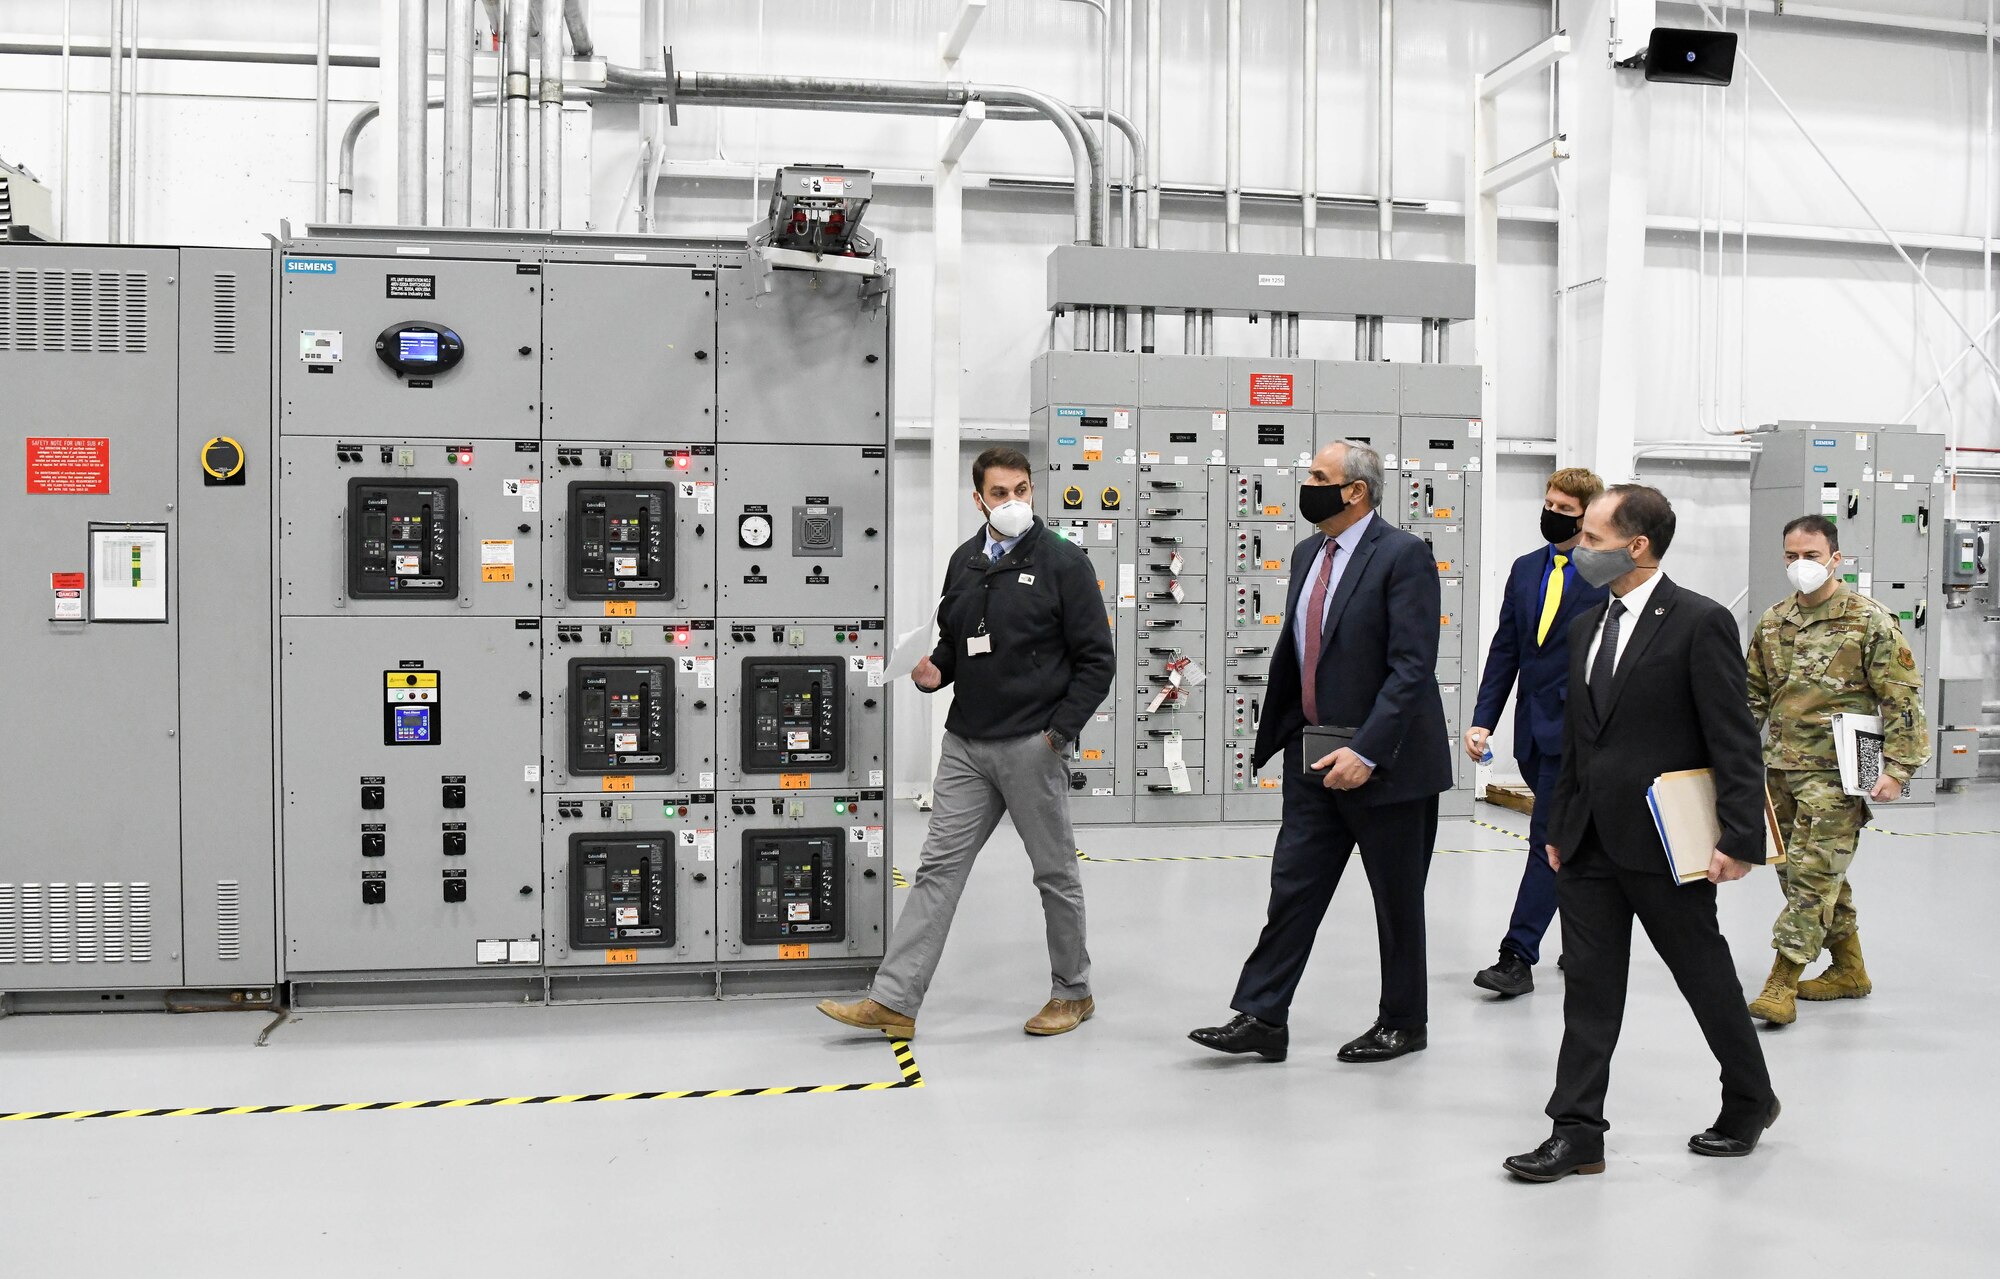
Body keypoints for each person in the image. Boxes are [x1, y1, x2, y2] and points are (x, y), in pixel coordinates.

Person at [1504, 484, 1780, 1184]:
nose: (1578, 548)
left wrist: (1741, 836)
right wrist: (1562, 824)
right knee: (1589, 990)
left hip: (1667, 840)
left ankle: (1750, 1097)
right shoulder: (1585, 623)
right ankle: (1577, 1131)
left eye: (1592, 538)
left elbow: (1734, 737)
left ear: (1637, 545)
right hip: (1591, 842)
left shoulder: (1698, 621)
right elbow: (1578, 739)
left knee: (1704, 976)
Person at [817, 447, 1115, 1039]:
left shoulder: (1064, 561)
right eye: (1000, 494)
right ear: (977, 499)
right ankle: (895, 1001)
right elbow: (956, 642)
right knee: (937, 871)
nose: (1013, 503)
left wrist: (1058, 735)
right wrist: (933, 672)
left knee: (1053, 873)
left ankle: (1072, 991)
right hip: (967, 745)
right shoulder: (965, 562)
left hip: (1033, 743)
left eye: (1022, 490)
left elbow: (1096, 661)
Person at [1189, 440, 1452, 1065]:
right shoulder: (1310, 552)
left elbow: (1412, 668)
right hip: (1311, 754)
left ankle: (1403, 1021)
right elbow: (1304, 649)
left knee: (1396, 900)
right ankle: (1261, 1016)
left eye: (1317, 476)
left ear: (1354, 490)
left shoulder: (1404, 555)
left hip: (1383, 764)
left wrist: (1367, 750)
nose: (1305, 484)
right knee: (1293, 889)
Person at [1742, 514, 1929, 1025]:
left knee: (1811, 876)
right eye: (1791, 556)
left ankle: (1782, 980)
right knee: (1801, 871)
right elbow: (1753, 696)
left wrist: (1898, 768)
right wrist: (1729, 755)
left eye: (1811, 556)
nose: (1800, 565)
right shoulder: (1774, 621)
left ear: (1835, 559)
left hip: (1841, 771)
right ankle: (1850, 970)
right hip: (1779, 767)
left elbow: (1902, 700)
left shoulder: (1869, 621)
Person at [1465, 468, 1608, 998]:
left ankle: (1517, 956)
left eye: (1565, 510)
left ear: (1588, 516)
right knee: (1574, 841)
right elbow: (1507, 650)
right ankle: (1584, 938)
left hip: (1579, 734)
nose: (1551, 514)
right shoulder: (1527, 570)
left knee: (1545, 838)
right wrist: (1484, 717)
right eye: (1548, 503)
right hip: (1531, 729)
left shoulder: (1610, 575)